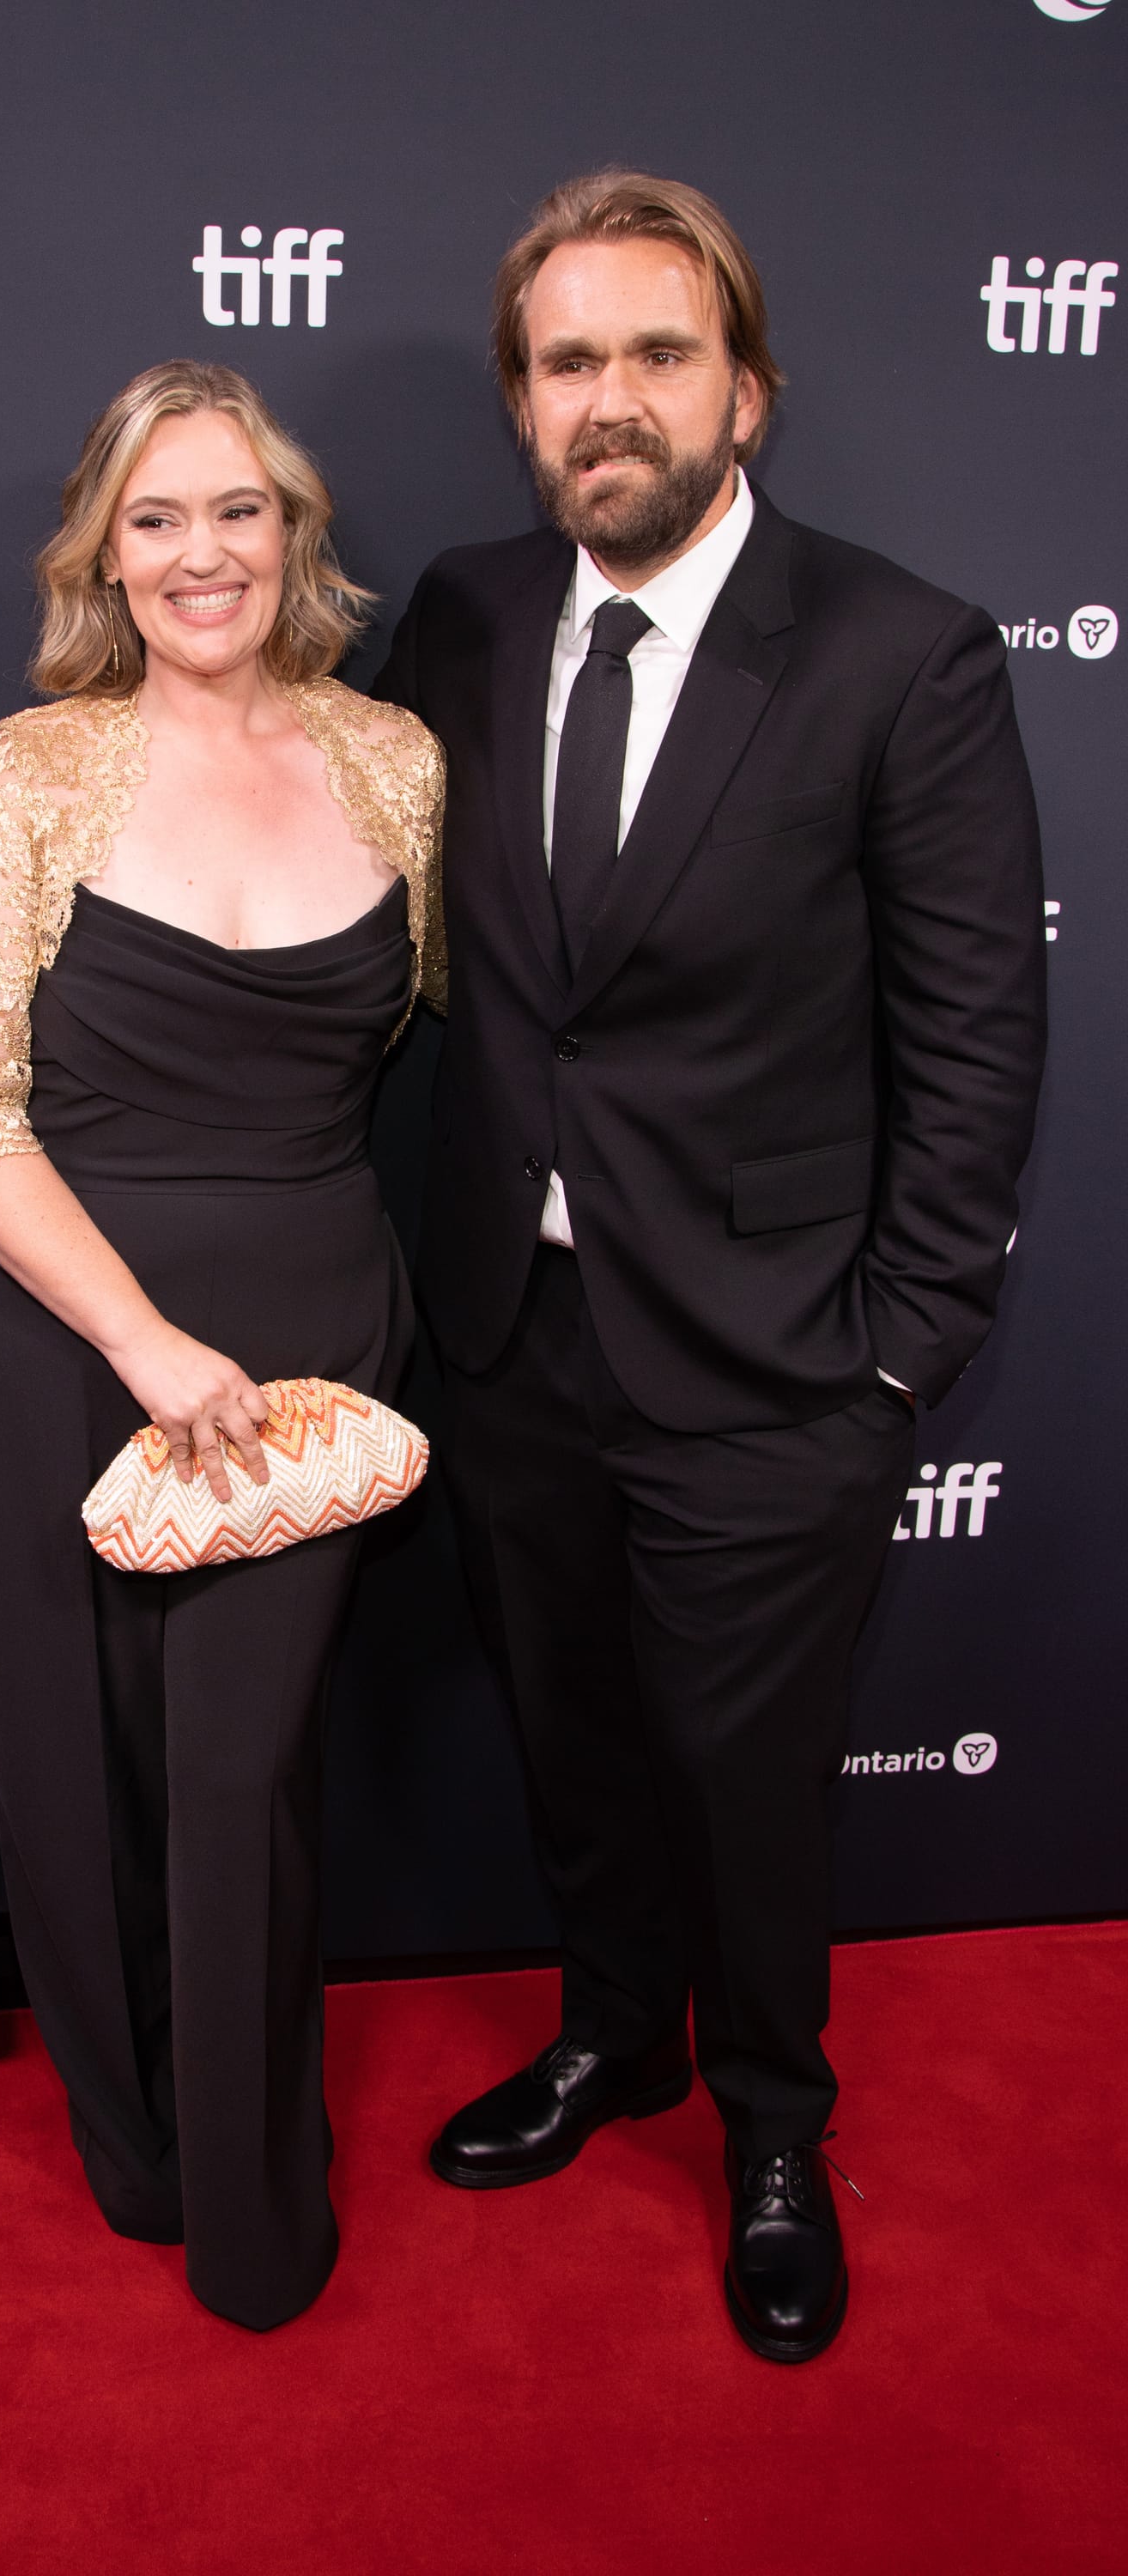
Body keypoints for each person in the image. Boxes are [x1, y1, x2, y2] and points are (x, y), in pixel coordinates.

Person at [376, 171, 1045, 2361]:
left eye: (656, 354)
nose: (611, 401)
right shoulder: (463, 622)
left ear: (743, 391)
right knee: (572, 1744)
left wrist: (898, 1359)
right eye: (568, 362)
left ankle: (768, 2124)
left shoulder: (895, 650)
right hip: (510, 1333)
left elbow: (972, 1035)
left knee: (749, 1788)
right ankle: (615, 2038)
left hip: (777, 1362)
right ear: (521, 402)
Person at [0, 361, 443, 2330]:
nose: (201, 551)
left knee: (239, 1778)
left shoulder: (396, 758)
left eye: (235, 509)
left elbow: (431, 1032)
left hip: (306, 1348)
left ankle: (251, 2204)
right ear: (103, 556)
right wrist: (138, 1337)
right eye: (157, 517)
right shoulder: (40, 769)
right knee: (78, 1768)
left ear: (288, 530)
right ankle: (133, 2148)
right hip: (71, 1327)